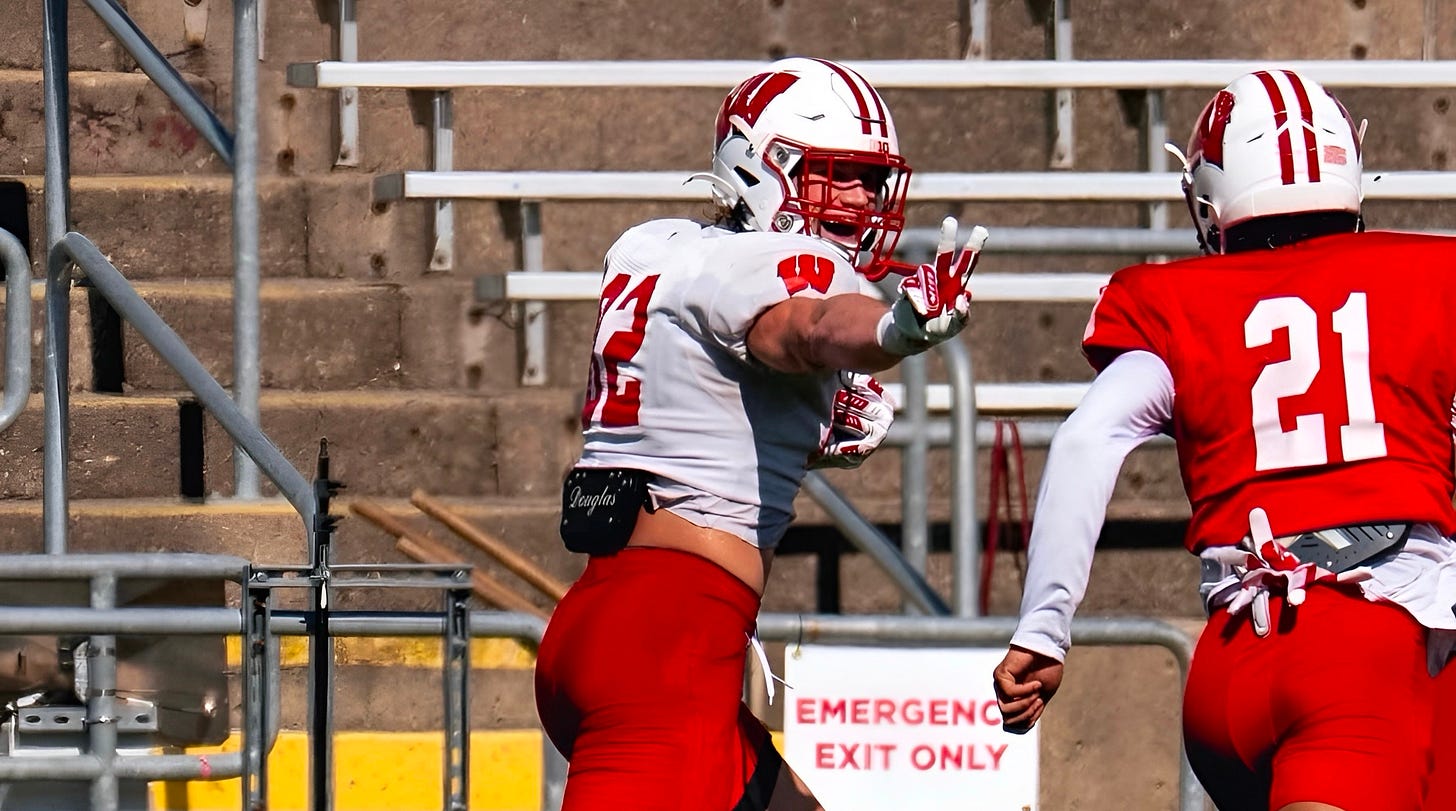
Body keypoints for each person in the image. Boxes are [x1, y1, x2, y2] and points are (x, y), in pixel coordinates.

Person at [991, 68, 1456, 811]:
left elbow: (1086, 439)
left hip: (1231, 666)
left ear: (1209, 195)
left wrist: (1045, 628)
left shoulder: (1173, 302)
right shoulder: (1434, 275)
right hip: (1362, 652)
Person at [533, 57, 987, 810]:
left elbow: (696, 414)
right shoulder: (784, 261)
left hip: (603, 622)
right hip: (667, 647)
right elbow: (802, 327)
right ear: (762, 165)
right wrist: (892, 330)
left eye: (870, 180)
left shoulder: (655, 247)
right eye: (832, 174)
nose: (858, 199)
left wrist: (803, 428)